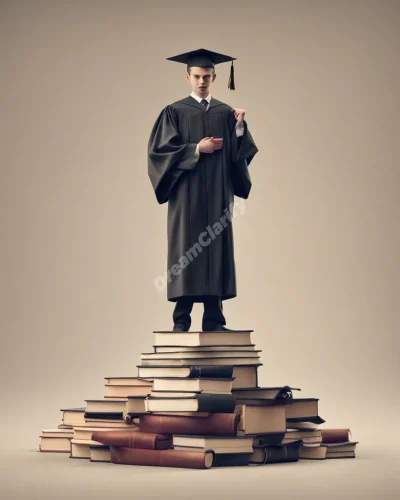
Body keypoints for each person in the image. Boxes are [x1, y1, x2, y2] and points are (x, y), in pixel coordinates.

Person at [148, 48, 258, 332]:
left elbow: (240, 154)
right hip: (187, 197)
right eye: (196, 76)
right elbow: (160, 152)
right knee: (187, 251)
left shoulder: (226, 113)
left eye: (207, 76)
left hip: (219, 196)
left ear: (215, 76)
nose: (201, 81)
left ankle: (214, 321)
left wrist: (239, 127)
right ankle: (181, 321)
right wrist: (198, 148)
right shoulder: (174, 112)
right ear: (187, 76)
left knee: (216, 251)